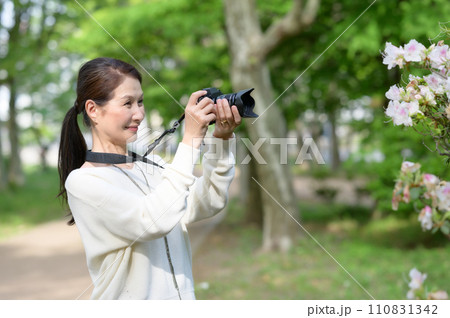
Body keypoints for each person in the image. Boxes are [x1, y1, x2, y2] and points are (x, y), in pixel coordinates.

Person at [58, 57, 241, 300]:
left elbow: (208, 202)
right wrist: (190, 141)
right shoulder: (84, 182)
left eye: (140, 102)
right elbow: (153, 220)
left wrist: (221, 139)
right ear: (93, 110)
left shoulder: (152, 164)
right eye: (128, 103)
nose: (139, 114)